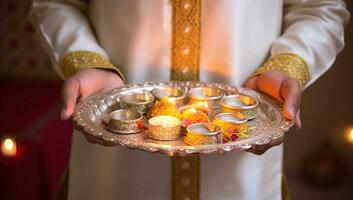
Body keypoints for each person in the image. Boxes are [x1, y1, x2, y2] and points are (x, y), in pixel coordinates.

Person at [30, 0, 350, 200]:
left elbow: (320, 7)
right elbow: (57, 3)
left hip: (240, 172)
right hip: (118, 170)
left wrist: (288, 64)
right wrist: (86, 61)